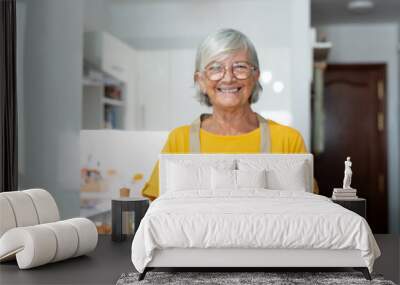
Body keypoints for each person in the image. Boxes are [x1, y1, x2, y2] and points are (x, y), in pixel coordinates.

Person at [141, 28, 317, 200]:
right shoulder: (179, 140)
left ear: (255, 76)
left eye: (240, 67)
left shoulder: (288, 141)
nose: (228, 78)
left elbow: (309, 210)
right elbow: (158, 212)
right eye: (215, 68)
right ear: (200, 81)